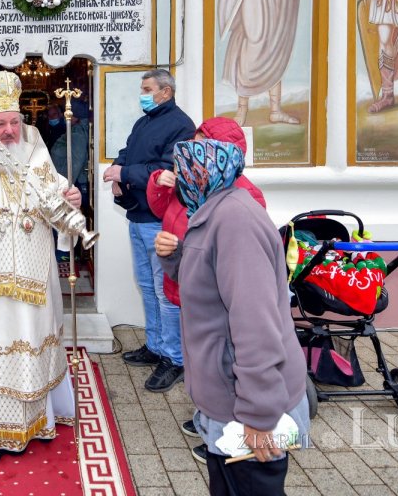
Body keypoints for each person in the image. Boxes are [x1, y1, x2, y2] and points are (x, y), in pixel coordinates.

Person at [0, 70, 96, 468]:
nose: (8, 130)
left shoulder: (34, 144)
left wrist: (70, 195)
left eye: (13, 121)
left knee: (33, 335)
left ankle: (36, 421)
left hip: (34, 269)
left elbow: (51, 190)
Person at [156, 139, 309, 496]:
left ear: (201, 172)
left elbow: (255, 323)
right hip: (228, 396)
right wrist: (176, 258)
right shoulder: (216, 210)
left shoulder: (234, 221)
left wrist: (258, 414)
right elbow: (210, 285)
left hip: (246, 405)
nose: (177, 179)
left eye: (182, 171)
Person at [148, 117, 266, 466]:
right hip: (188, 285)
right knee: (200, 362)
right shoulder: (193, 182)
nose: (192, 150)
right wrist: (159, 183)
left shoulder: (244, 197)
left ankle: (227, 436)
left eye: (201, 143)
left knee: (222, 365)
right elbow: (163, 210)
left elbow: (238, 259)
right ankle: (206, 419)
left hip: (216, 298)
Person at [103, 69, 196, 392]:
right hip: (138, 216)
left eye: (147, 89)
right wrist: (117, 173)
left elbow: (167, 170)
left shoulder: (182, 125)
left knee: (165, 290)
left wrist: (125, 171)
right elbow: (128, 152)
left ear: (166, 92)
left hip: (162, 220)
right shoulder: (144, 121)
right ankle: (155, 346)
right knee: (147, 284)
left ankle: (175, 358)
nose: (142, 94)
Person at [49, 99, 89, 205]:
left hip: (75, 184)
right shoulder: (75, 130)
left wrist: (65, 187)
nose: (64, 116)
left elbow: (76, 162)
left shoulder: (77, 134)